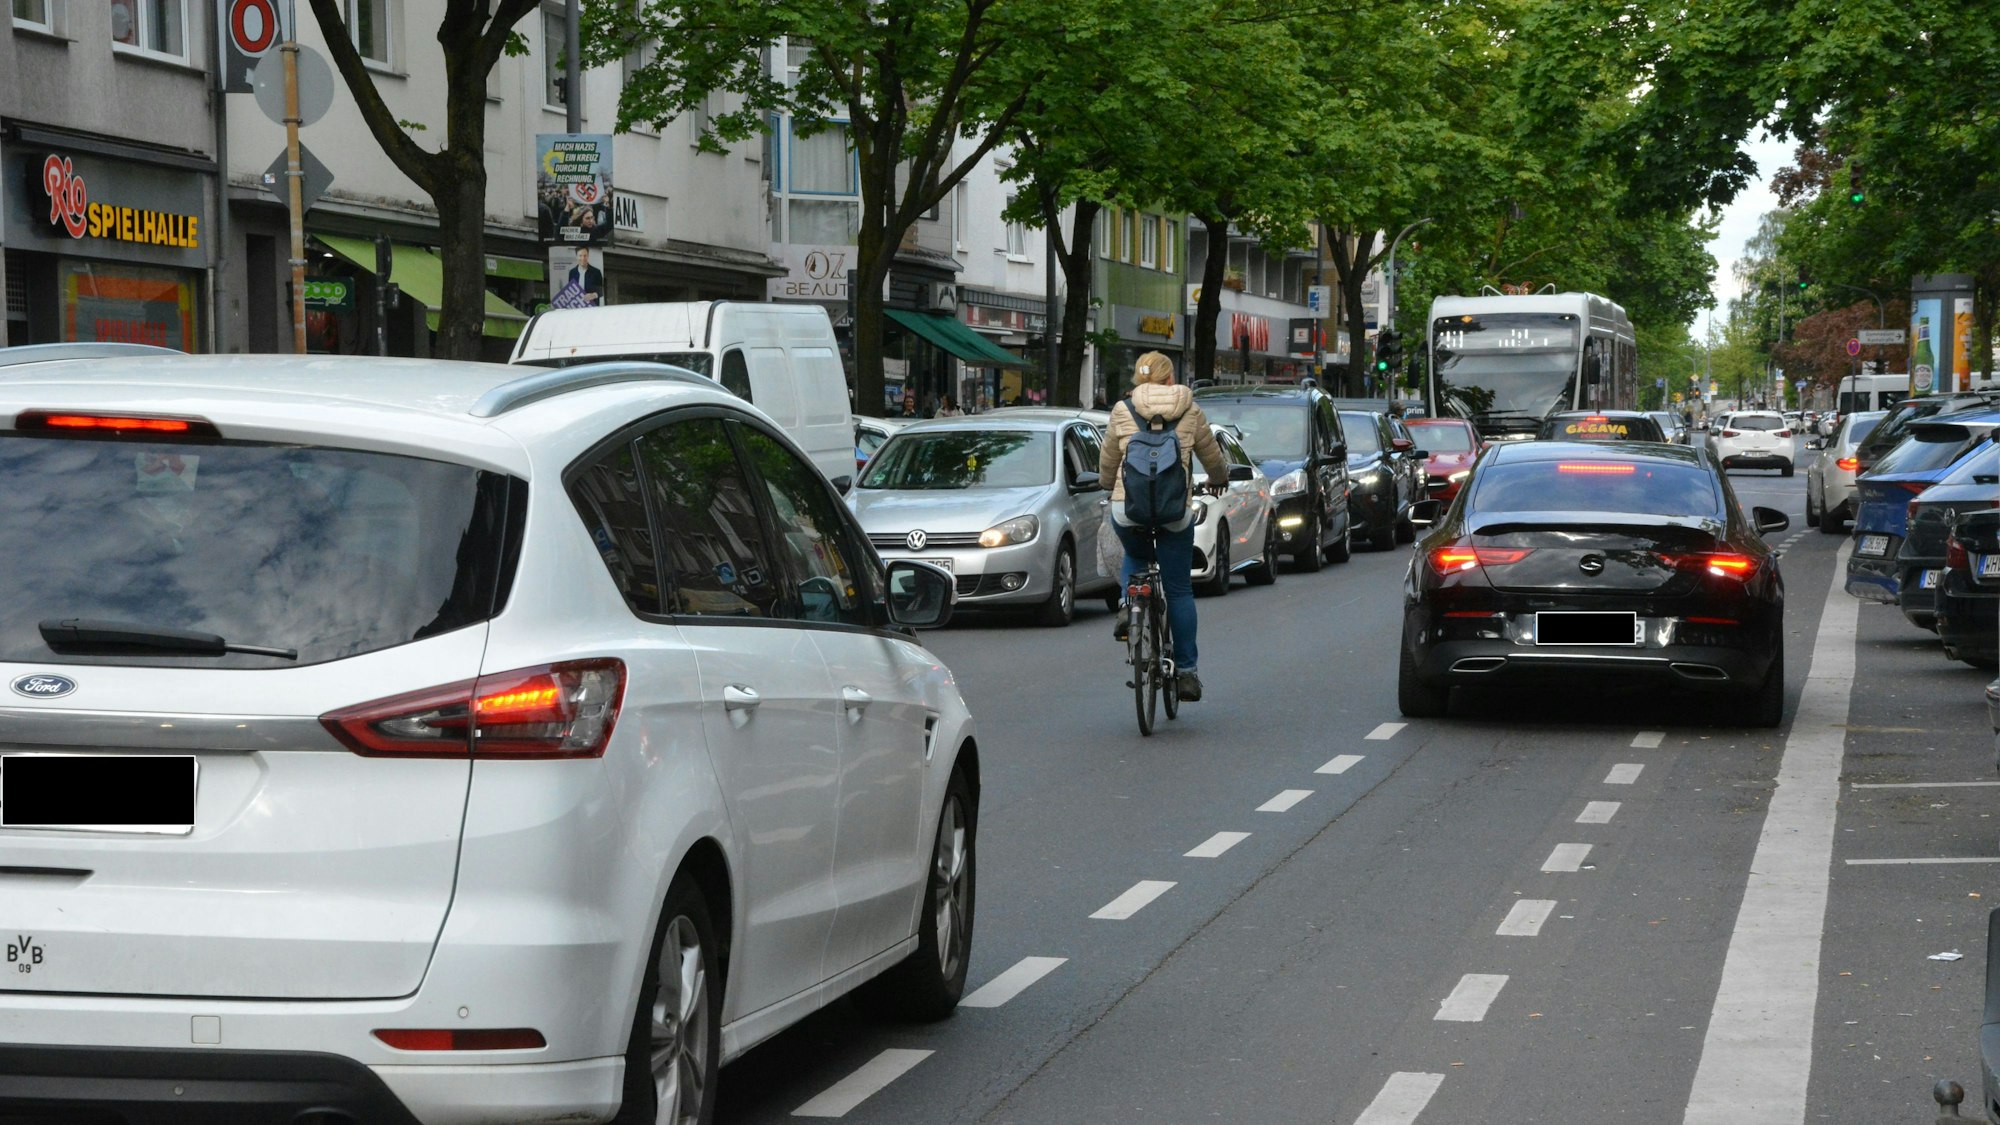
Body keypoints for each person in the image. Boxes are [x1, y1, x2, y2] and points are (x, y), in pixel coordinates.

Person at [1099, 351, 1229, 701]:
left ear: (1138, 379)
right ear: (1170, 378)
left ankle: (1128, 606)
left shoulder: (1122, 410)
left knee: (1135, 553)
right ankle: (1186, 673)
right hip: (1174, 512)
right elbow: (1211, 456)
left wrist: (1108, 484)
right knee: (1179, 591)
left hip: (1128, 508)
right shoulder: (1190, 409)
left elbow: (1108, 459)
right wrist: (1219, 479)